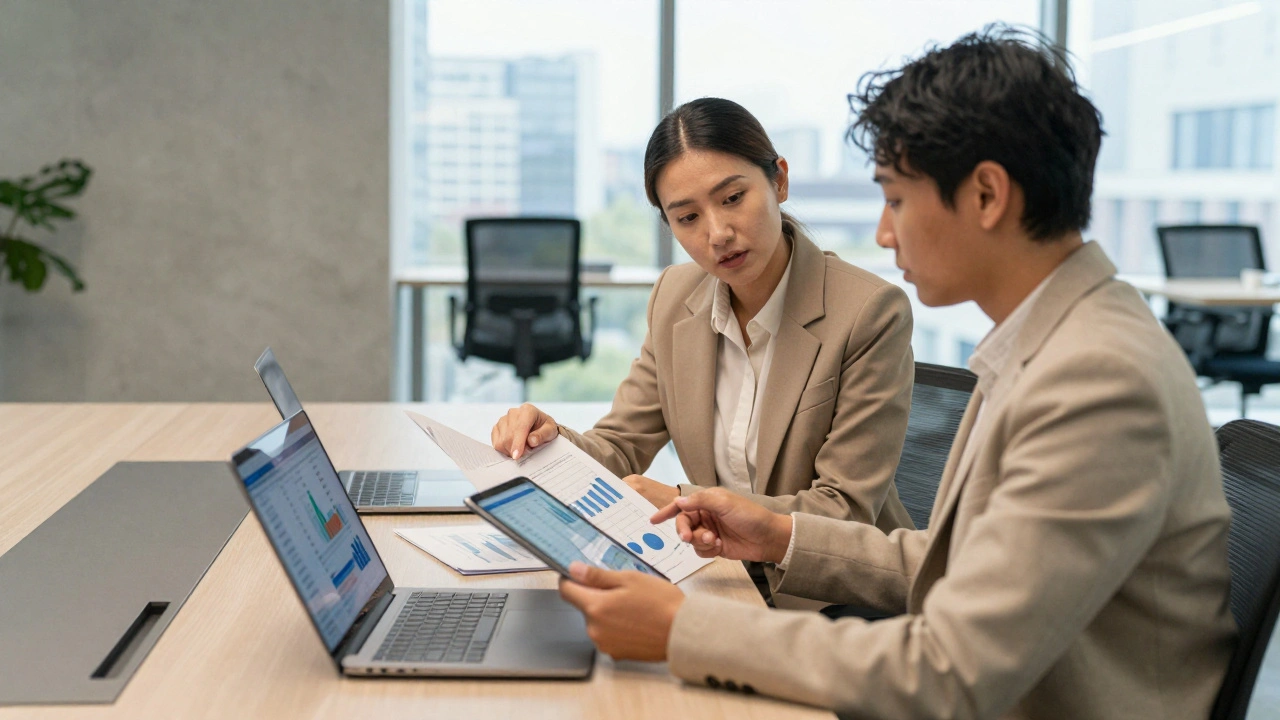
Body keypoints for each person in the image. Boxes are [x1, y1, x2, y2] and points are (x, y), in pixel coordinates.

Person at [555, 27, 1236, 719]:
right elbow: (956, 565)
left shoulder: (1097, 380)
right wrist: (775, 532)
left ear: (987, 196)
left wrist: (684, 630)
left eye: (896, 198)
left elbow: (950, 670)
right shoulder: (1052, 343)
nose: (883, 232)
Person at [491, 98, 916, 538]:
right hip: (719, 570)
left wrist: (686, 501)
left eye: (733, 198)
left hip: (829, 592)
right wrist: (549, 440)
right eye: (688, 217)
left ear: (780, 181)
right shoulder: (676, 297)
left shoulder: (869, 311)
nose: (717, 234)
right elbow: (619, 447)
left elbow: (843, 510)